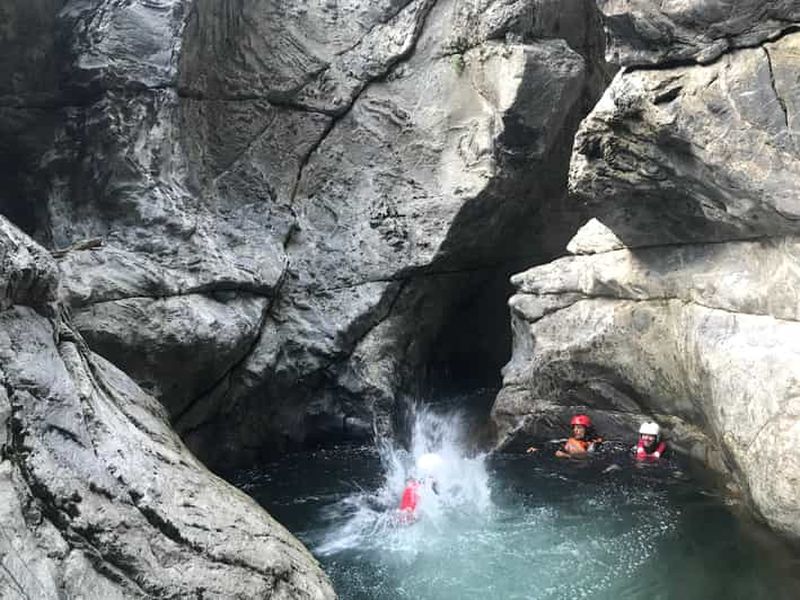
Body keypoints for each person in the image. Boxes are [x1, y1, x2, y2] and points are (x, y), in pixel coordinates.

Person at [526, 414, 602, 458]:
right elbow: (552, 444)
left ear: (586, 430)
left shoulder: (594, 444)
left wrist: (566, 456)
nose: (575, 430)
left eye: (579, 428)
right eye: (574, 428)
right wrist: (538, 449)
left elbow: (589, 458)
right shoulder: (568, 440)